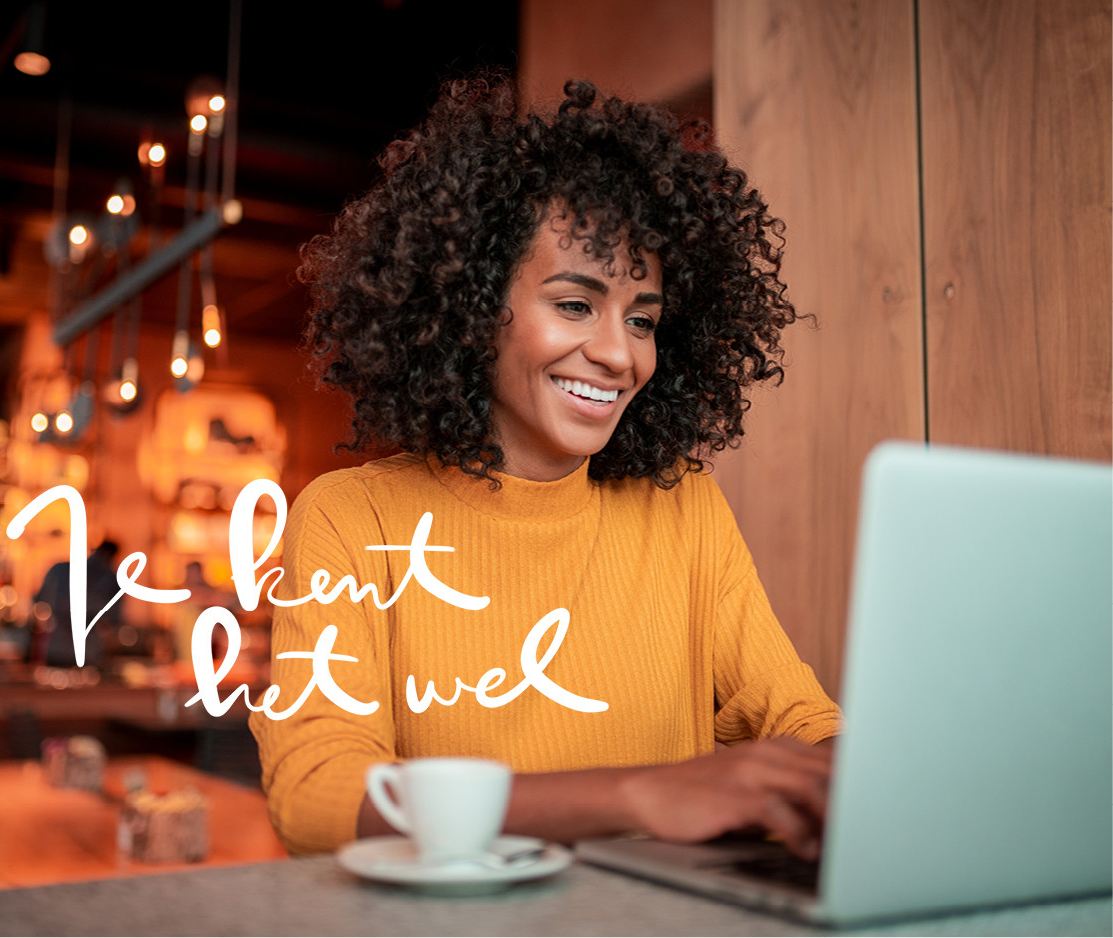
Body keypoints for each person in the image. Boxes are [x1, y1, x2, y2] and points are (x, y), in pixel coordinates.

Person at [250, 75, 840, 859]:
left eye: (642, 320)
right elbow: (316, 794)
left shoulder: (682, 509)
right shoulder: (353, 519)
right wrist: (631, 794)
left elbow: (804, 723)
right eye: (574, 304)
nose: (618, 353)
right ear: (468, 303)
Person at [33, 540, 119, 669]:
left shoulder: (58, 570)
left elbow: (38, 600)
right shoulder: (111, 579)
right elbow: (114, 621)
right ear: (110, 556)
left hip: (59, 648)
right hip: (86, 652)